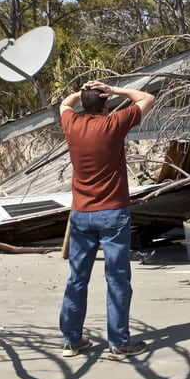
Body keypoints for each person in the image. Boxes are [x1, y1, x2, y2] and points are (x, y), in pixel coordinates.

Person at [58, 79, 155, 358]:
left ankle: (71, 340)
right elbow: (146, 98)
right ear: (105, 104)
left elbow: (65, 104)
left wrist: (84, 93)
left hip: (81, 215)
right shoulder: (113, 124)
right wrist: (114, 90)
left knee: (77, 278)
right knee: (117, 279)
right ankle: (119, 342)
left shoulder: (72, 125)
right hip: (113, 212)